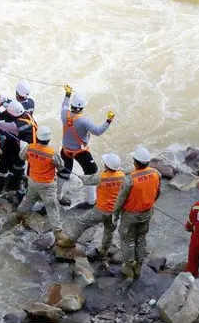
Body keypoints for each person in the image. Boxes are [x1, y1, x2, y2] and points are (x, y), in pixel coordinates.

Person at [58, 85, 115, 209]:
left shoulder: (64, 114)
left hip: (65, 149)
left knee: (64, 172)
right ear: (82, 107)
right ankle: (91, 201)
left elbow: (64, 105)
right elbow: (98, 131)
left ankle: (59, 196)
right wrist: (108, 121)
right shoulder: (84, 121)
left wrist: (67, 94)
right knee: (91, 172)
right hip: (80, 151)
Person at [111, 146, 161, 279]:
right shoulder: (156, 173)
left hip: (130, 215)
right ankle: (138, 266)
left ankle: (128, 267)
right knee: (141, 238)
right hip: (147, 212)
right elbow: (157, 192)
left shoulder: (129, 179)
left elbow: (120, 200)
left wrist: (114, 215)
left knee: (126, 239)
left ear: (135, 162)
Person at [55, 153, 123, 249]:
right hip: (115, 210)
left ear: (106, 165)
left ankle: (70, 241)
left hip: (102, 209)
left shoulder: (101, 177)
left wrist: (81, 177)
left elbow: (88, 180)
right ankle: (104, 250)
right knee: (109, 230)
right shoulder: (122, 175)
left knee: (81, 222)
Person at [14, 127, 65, 240]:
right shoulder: (52, 153)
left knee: (29, 199)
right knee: (52, 206)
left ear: (37, 137)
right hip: (47, 184)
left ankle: (18, 216)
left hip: (32, 180)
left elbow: (21, 156)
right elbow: (61, 167)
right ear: (49, 139)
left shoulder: (30, 147)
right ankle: (57, 232)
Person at [0, 100, 38, 196]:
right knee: (19, 165)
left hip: (26, 148)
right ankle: (17, 183)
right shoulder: (26, 113)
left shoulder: (15, 126)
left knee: (6, 163)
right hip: (32, 142)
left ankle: (2, 187)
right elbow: (9, 106)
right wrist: (2, 102)